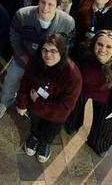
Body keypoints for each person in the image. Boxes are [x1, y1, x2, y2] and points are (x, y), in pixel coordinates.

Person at [0, 0, 75, 120]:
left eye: (50, 4)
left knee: (39, 88)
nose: (45, 7)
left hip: (47, 65)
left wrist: (50, 63)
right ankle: (4, 101)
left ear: (58, 6)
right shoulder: (22, 15)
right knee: (10, 80)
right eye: (43, 2)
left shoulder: (68, 23)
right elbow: (14, 37)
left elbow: (67, 46)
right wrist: (24, 57)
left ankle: (31, 106)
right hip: (23, 58)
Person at [16, 35, 82, 163]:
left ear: (62, 52)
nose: (48, 55)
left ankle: (45, 143)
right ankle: (34, 137)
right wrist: (22, 103)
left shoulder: (73, 75)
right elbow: (25, 82)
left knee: (50, 131)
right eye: (45, 50)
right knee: (35, 124)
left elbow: (66, 105)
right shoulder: (36, 61)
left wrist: (39, 102)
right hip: (34, 106)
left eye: (53, 51)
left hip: (56, 114)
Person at [64, 30, 112, 156]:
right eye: (99, 44)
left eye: (108, 46)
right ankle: (72, 125)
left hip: (106, 98)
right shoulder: (83, 52)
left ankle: (99, 144)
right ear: (94, 44)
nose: (103, 49)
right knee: (74, 110)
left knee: (102, 123)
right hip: (82, 90)